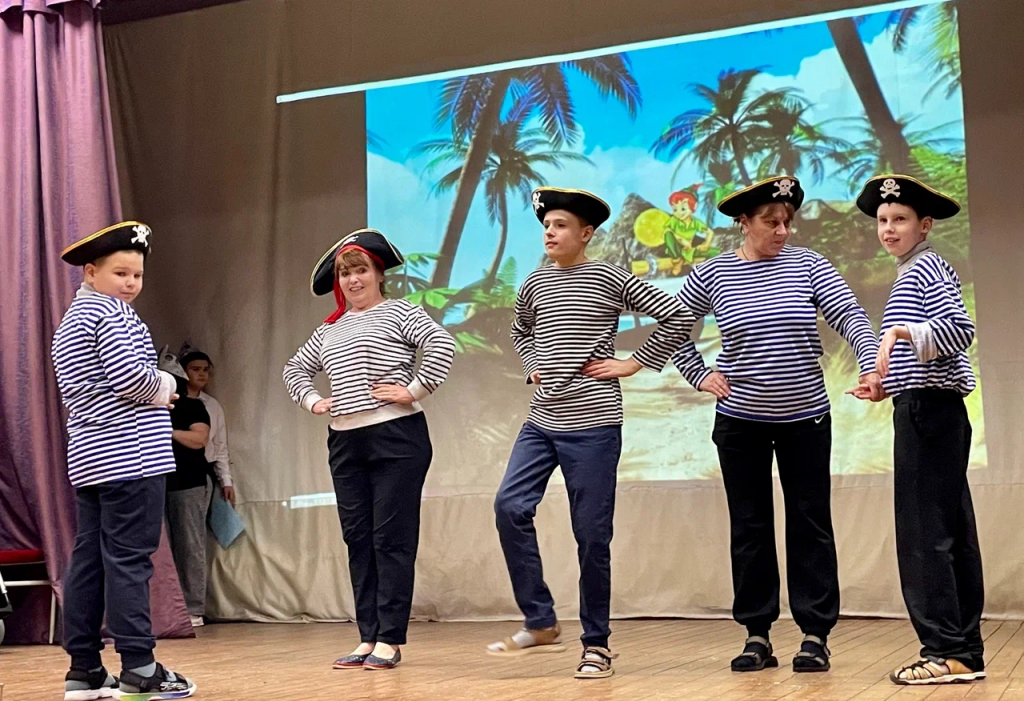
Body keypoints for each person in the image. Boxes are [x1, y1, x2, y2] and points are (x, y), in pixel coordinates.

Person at [670, 176, 882, 673]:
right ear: (744, 222)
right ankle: (757, 634)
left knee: (811, 524)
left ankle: (815, 635)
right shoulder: (712, 272)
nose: (783, 231)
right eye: (771, 222)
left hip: (805, 419)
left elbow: (850, 316)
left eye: (787, 221)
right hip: (739, 422)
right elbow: (674, 327)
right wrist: (699, 373)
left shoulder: (810, 265)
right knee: (750, 527)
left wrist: (870, 362)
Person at [487, 187, 695, 679]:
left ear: (585, 233)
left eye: (560, 225)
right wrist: (533, 365)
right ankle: (540, 620)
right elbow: (520, 332)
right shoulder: (534, 282)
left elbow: (678, 315)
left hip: (595, 425)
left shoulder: (608, 275)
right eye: (546, 225)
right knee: (509, 507)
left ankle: (596, 644)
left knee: (591, 535)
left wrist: (634, 362)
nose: (549, 232)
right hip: (541, 422)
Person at [283, 229, 456, 671]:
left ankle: (390, 638)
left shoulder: (400, 312)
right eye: (345, 274)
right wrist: (313, 400)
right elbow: (295, 368)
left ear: (379, 274)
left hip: (396, 436)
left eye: (360, 270)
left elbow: (442, 343)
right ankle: (367, 636)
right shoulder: (330, 328)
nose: (353, 280)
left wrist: (414, 388)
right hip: (345, 440)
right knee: (358, 538)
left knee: (390, 538)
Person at [848, 175, 984, 686]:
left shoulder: (924, 268)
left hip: (929, 413)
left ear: (924, 225)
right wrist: (884, 385)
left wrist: (901, 332)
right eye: (883, 220)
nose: (888, 228)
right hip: (928, 407)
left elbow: (960, 331)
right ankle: (963, 652)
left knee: (925, 536)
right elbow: (927, 356)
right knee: (950, 533)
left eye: (900, 219)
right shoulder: (916, 269)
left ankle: (945, 651)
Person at [51, 221, 197, 700]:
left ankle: (85, 670)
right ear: (90, 272)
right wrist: (167, 386)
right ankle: (139, 666)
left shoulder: (71, 319)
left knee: (89, 560)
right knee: (130, 561)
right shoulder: (113, 313)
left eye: (137, 275)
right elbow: (132, 379)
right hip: (132, 457)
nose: (131, 284)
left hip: (91, 458)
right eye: (120, 273)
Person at [165, 353, 212, 629]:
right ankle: (168, 606)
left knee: (189, 546)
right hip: (158, 483)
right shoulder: (151, 410)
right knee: (163, 546)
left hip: (189, 482)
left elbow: (200, 439)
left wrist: (167, 432)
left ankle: (193, 607)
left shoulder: (193, 406)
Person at [178, 347, 235, 505]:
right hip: (179, 473)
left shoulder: (212, 405)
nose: (202, 374)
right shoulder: (173, 402)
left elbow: (220, 445)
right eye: (196, 369)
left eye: (205, 370)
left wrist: (226, 480)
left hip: (205, 471)